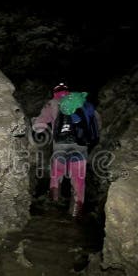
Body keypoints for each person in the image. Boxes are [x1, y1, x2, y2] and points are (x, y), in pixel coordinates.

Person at [32, 82, 101, 219]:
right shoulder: (81, 103)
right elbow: (96, 123)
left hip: (60, 146)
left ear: (55, 92)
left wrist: (37, 124)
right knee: (78, 178)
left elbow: (38, 126)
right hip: (80, 146)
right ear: (69, 92)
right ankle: (76, 211)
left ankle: (53, 204)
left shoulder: (52, 103)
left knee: (56, 173)